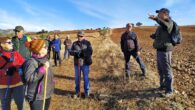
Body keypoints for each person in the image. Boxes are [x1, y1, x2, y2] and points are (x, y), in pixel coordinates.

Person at [149, 8, 174, 97]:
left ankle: (169, 91)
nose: (158, 14)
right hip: (159, 50)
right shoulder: (160, 25)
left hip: (165, 50)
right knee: (161, 70)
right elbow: (159, 34)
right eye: (158, 13)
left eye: (159, 13)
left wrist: (156, 19)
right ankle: (162, 86)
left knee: (167, 70)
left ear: (165, 14)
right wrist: (154, 36)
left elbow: (166, 26)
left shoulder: (169, 22)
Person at [23, 39, 54, 110]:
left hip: (46, 93)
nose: (47, 48)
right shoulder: (31, 62)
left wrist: (52, 81)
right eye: (45, 47)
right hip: (36, 96)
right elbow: (29, 78)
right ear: (38, 49)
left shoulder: (46, 59)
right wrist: (42, 69)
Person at [0, 36, 25, 110]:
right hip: (3, 85)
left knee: (21, 103)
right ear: (2, 44)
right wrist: (5, 71)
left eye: (12, 42)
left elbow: (23, 64)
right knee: (5, 105)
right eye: (9, 42)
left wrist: (19, 68)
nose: (12, 44)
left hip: (17, 83)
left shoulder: (15, 53)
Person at [70, 31, 93, 98]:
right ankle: (77, 92)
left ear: (84, 36)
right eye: (78, 36)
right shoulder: (74, 43)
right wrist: (76, 53)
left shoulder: (87, 43)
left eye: (81, 36)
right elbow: (70, 52)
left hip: (85, 63)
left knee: (86, 78)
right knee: (77, 78)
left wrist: (84, 53)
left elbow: (91, 51)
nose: (80, 37)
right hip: (77, 64)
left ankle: (87, 92)